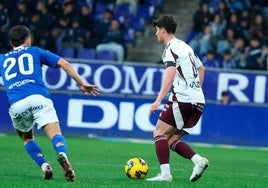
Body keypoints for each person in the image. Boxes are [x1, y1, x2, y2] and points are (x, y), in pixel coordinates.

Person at [0, 25, 100, 181]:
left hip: (17, 103)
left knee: (27, 138)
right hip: (39, 97)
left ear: (11, 43)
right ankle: (62, 154)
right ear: (28, 39)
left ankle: (44, 166)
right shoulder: (35, 51)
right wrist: (82, 83)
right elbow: (64, 64)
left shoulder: (2, 59)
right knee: (55, 134)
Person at [146, 16, 209, 182]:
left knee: (159, 132)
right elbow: (201, 68)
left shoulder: (170, 49)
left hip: (183, 98)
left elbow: (170, 74)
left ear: (163, 30)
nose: (156, 34)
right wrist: (196, 90)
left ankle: (165, 175)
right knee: (171, 139)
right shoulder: (186, 47)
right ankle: (198, 160)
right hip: (198, 100)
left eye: (157, 30)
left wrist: (158, 100)